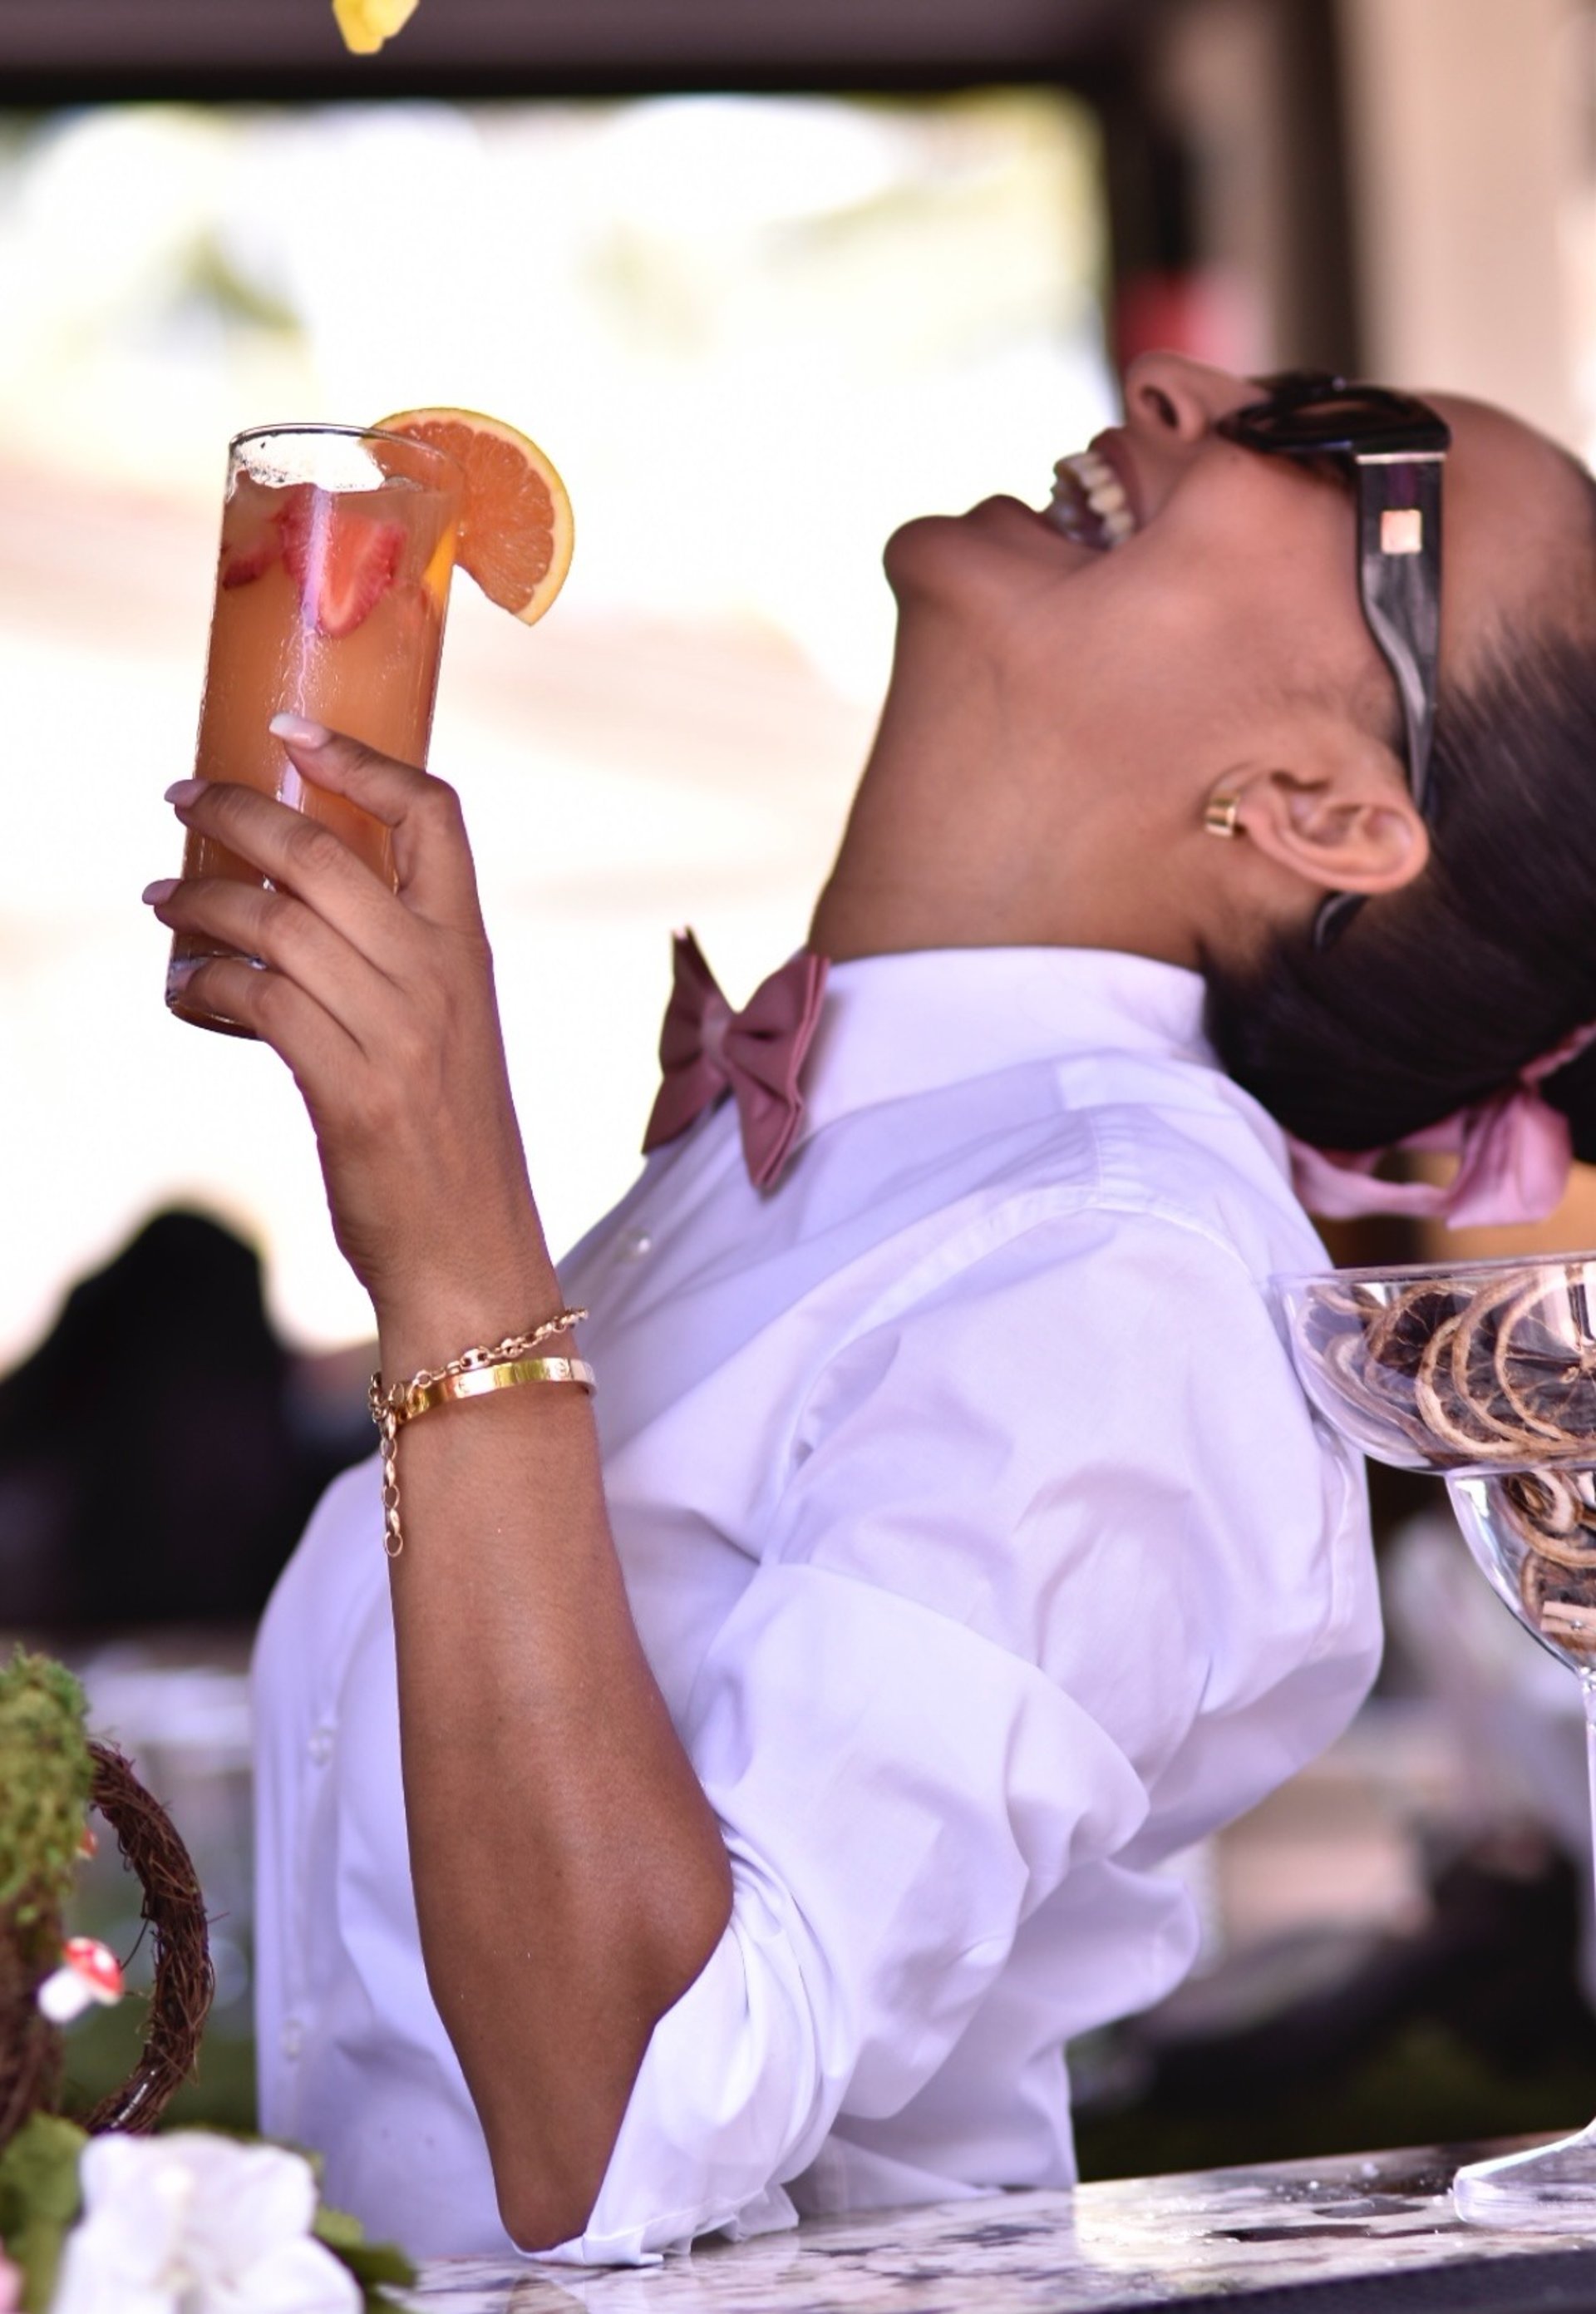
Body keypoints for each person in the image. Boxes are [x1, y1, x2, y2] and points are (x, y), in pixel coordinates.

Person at [143, 353, 1596, 2262]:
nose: (1182, 386)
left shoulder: (1118, 1274)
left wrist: (455, 1250)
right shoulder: (837, 1157)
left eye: (1334, 444)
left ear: (1325, 809)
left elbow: (623, 2127)